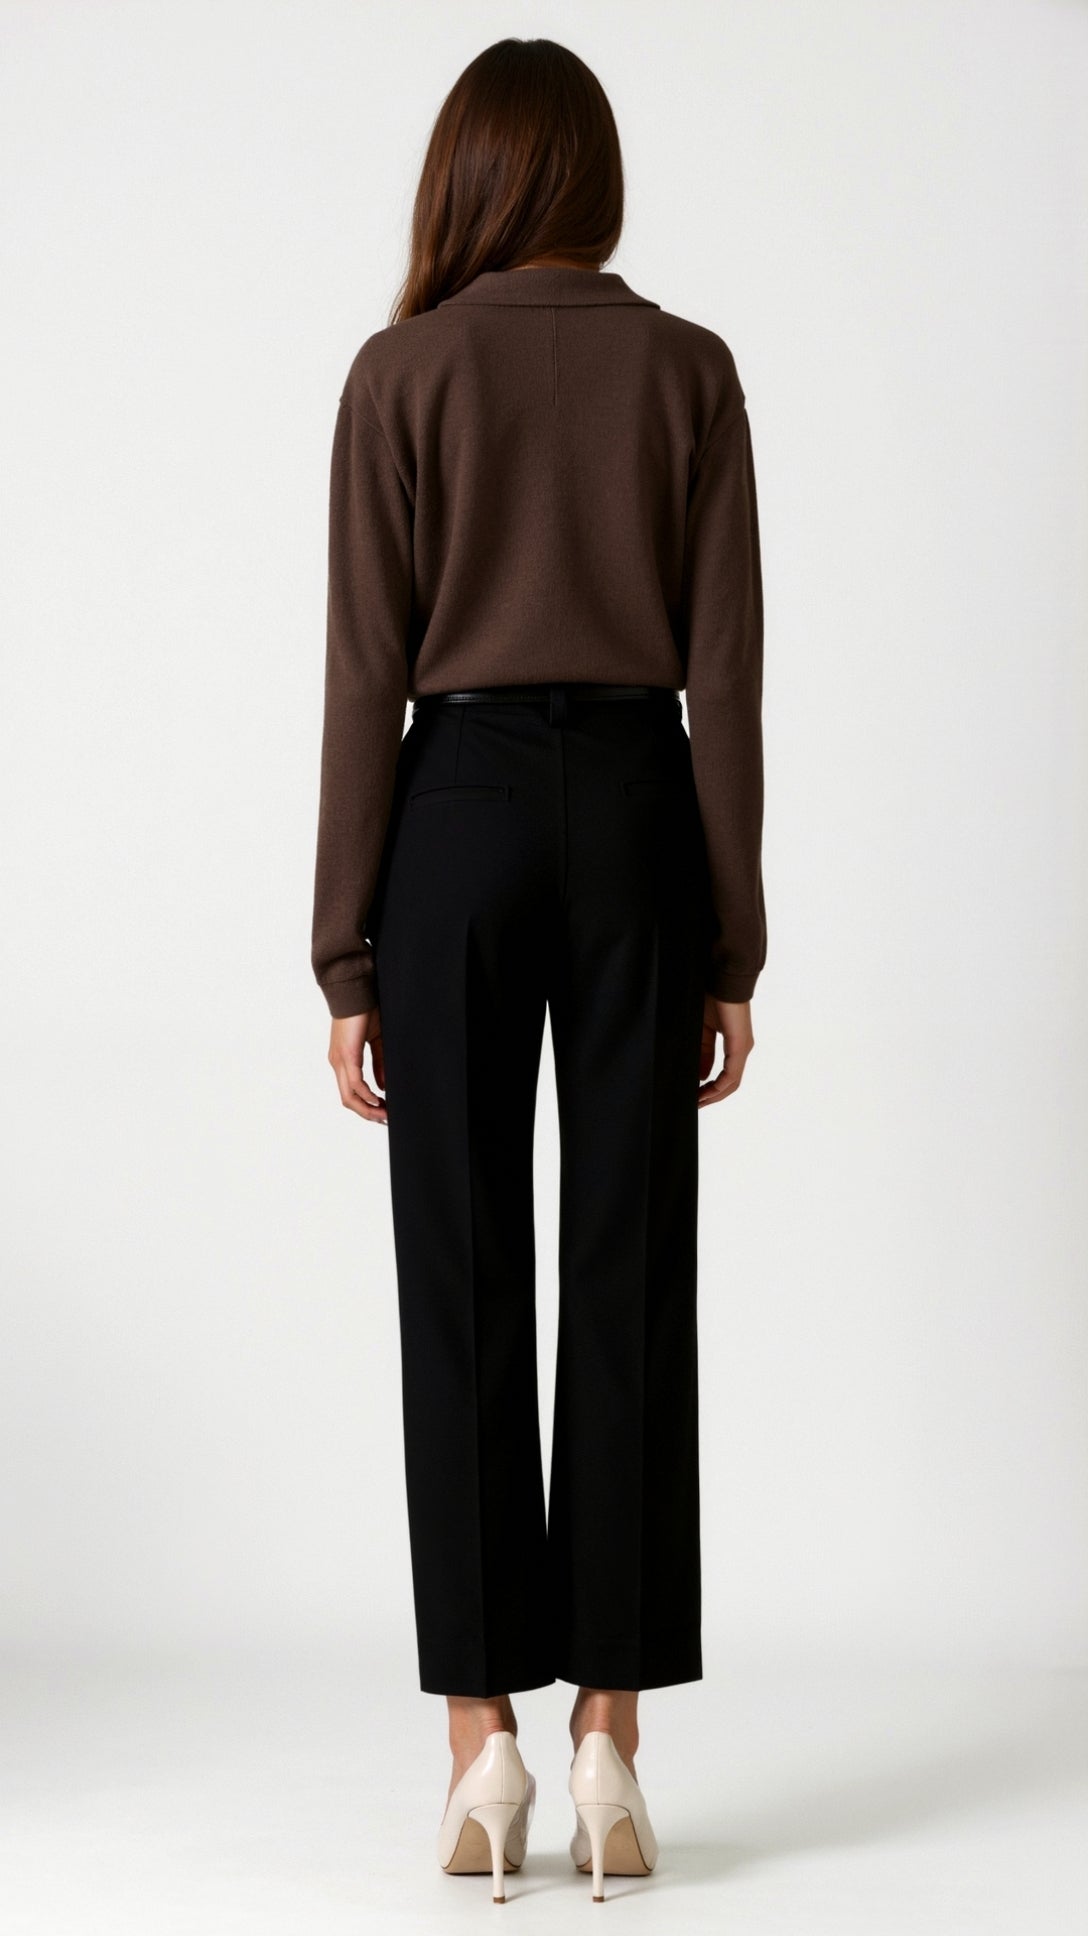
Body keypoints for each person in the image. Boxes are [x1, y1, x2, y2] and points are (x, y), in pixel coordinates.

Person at [310, 35, 766, 1903]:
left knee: (464, 1271)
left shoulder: (401, 373)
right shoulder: (691, 369)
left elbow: (365, 671)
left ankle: (480, 1744)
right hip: (640, 814)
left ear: (470, 180)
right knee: (630, 1266)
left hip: (460, 811)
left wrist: (346, 955)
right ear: (595, 180)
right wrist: (732, 937)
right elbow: (726, 674)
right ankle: (612, 1741)